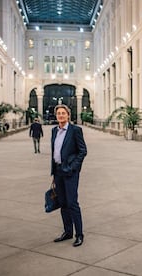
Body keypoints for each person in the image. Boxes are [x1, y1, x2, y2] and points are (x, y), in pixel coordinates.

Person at [51, 104, 87, 247]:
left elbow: (82, 151)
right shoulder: (54, 131)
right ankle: (67, 232)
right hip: (58, 172)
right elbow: (55, 152)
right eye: (58, 113)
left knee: (72, 203)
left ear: (68, 115)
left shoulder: (75, 130)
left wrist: (73, 167)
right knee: (63, 204)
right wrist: (54, 174)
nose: (61, 115)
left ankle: (79, 234)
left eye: (63, 113)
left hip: (70, 172)